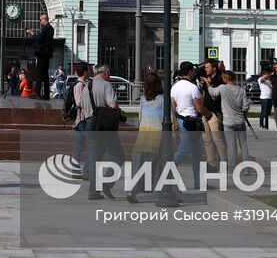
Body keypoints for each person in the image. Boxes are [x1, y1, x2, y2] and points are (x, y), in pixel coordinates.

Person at [83, 64, 125, 200]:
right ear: (105, 73)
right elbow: (112, 105)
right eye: (109, 73)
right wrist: (119, 112)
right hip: (104, 126)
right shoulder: (106, 85)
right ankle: (107, 182)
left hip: (90, 124)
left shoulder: (86, 87)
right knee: (118, 156)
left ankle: (93, 192)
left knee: (95, 159)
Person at [130, 70, 166, 202]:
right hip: (158, 135)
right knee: (159, 164)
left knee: (139, 164)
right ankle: (161, 191)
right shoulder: (162, 100)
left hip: (143, 134)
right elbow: (168, 119)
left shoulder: (143, 100)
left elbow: (140, 117)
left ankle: (133, 191)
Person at [171, 61, 207, 173]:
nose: (194, 72)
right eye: (193, 70)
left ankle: (199, 182)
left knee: (198, 152)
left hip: (181, 119)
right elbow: (200, 108)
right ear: (190, 71)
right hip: (191, 123)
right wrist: (209, 114)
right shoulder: (192, 87)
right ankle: (168, 169)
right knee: (184, 149)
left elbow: (174, 106)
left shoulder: (174, 87)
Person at [211, 70, 251, 165]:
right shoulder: (241, 90)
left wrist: (208, 83)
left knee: (231, 146)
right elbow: (245, 106)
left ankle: (232, 168)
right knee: (243, 144)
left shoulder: (223, 88)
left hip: (228, 122)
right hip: (240, 121)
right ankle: (247, 168)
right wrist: (243, 112)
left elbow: (212, 92)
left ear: (225, 79)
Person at [199, 61, 226, 165]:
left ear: (214, 68)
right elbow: (204, 94)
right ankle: (211, 162)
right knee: (207, 139)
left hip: (215, 112)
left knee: (217, 138)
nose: (206, 70)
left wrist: (207, 83)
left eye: (207, 68)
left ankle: (224, 162)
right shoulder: (207, 78)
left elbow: (215, 97)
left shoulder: (219, 79)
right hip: (206, 111)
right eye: (205, 68)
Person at [26, 14, 55, 99]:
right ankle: (46, 95)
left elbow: (39, 39)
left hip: (43, 54)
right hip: (47, 53)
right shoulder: (51, 28)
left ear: (44, 19)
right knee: (45, 74)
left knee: (38, 73)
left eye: (40, 20)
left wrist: (32, 33)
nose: (40, 21)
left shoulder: (46, 28)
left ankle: (37, 93)